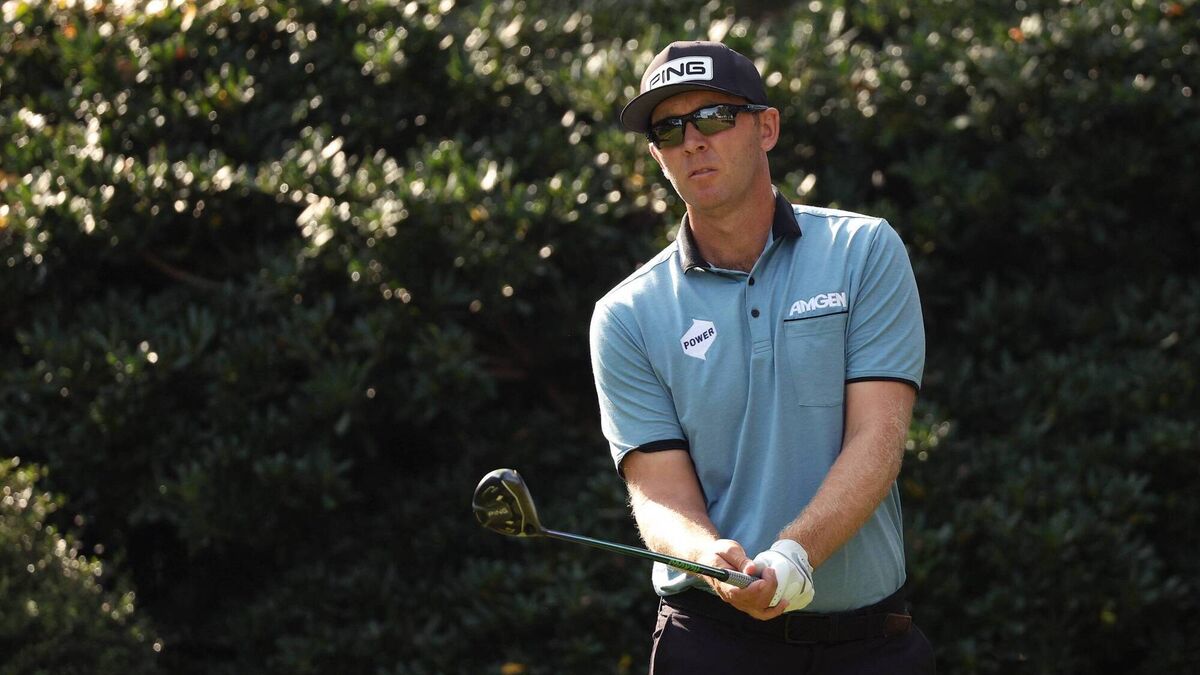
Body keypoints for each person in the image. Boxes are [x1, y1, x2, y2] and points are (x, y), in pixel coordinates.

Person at [588, 40, 935, 674]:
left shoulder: (864, 252)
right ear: (657, 155)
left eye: (714, 117)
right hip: (711, 641)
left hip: (869, 646)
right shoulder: (626, 314)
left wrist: (796, 554)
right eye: (669, 130)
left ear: (766, 127)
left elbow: (878, 438)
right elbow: (659, 492)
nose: (692, 141)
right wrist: (706, 558)